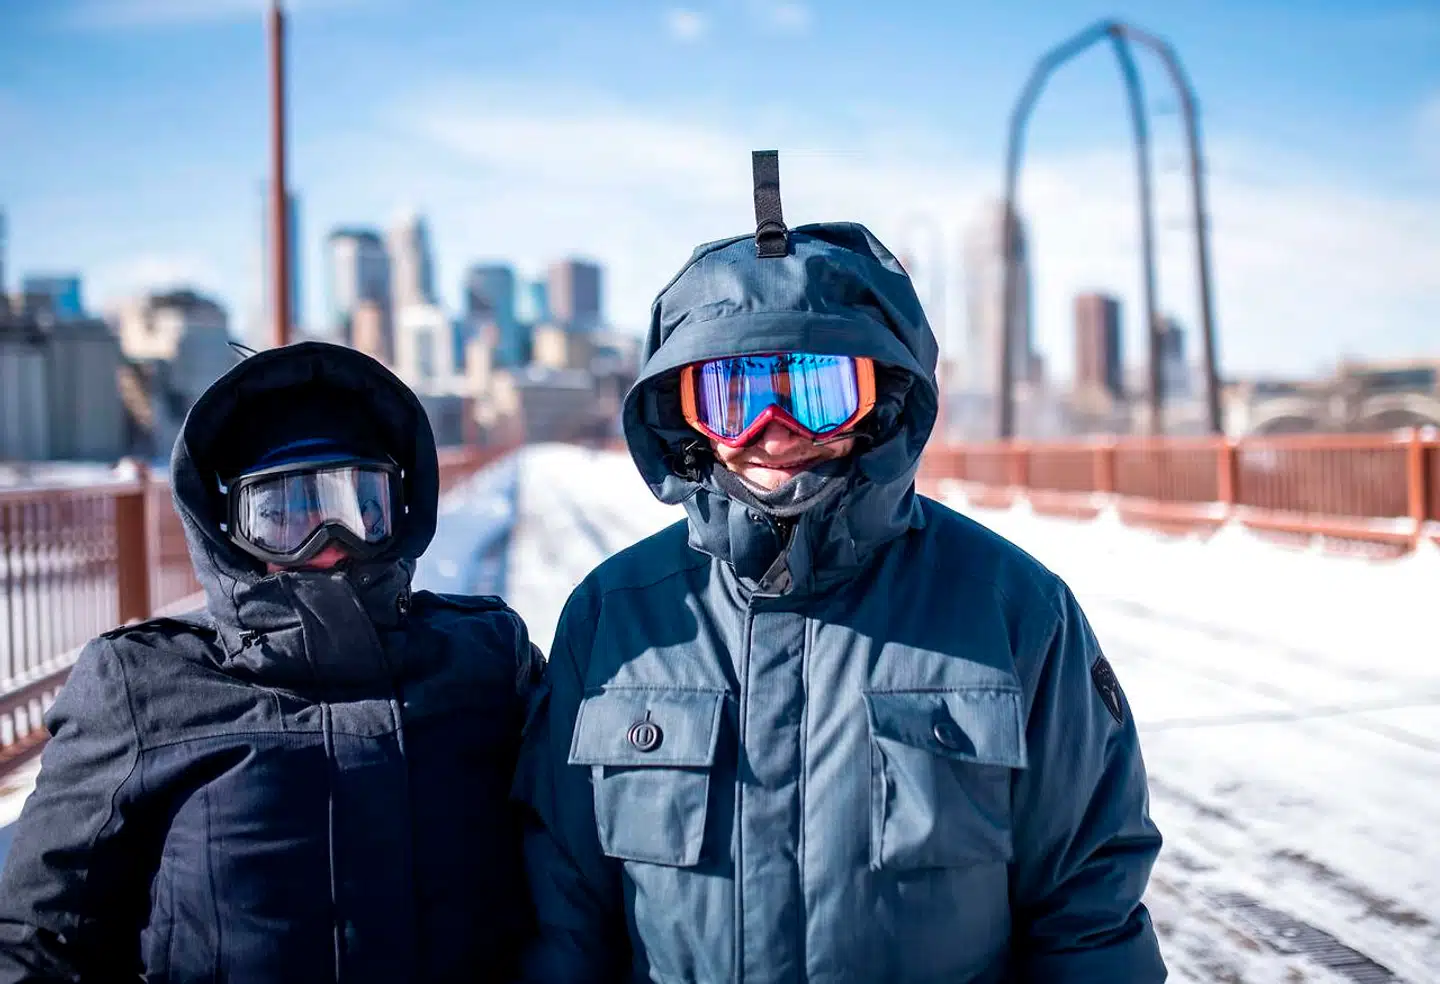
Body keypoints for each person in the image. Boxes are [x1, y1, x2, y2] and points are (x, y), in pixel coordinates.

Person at [514, 152, 1167, 982]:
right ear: (684, 415)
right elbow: (564, 915)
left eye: (817, 388)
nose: (775, 427)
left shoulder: (1013, 610)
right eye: (733, 394)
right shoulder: (615, 617)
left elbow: (1088, 907)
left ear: (884, 400)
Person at [0, 341, 541, 983]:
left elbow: (577, 876)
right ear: (227, 527)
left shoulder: (484, 658)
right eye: (284, 516)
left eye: (355, 507)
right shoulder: (142, 687)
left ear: (397, 509)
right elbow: (36, 943)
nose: (328, 546)